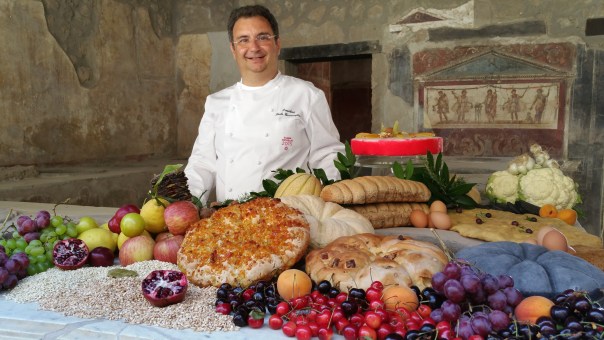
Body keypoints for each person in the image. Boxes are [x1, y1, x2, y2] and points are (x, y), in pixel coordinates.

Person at [184, 5, 344, 203]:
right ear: (233, 50)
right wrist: (186, 206)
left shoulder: (307, 95)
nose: (254, 47)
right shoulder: (216, 103)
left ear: (277, 44)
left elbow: (328, 155)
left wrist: (323, 203)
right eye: (243, 40)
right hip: (230, 219)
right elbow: (202, 165)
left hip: (288, 217)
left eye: (263, 37)